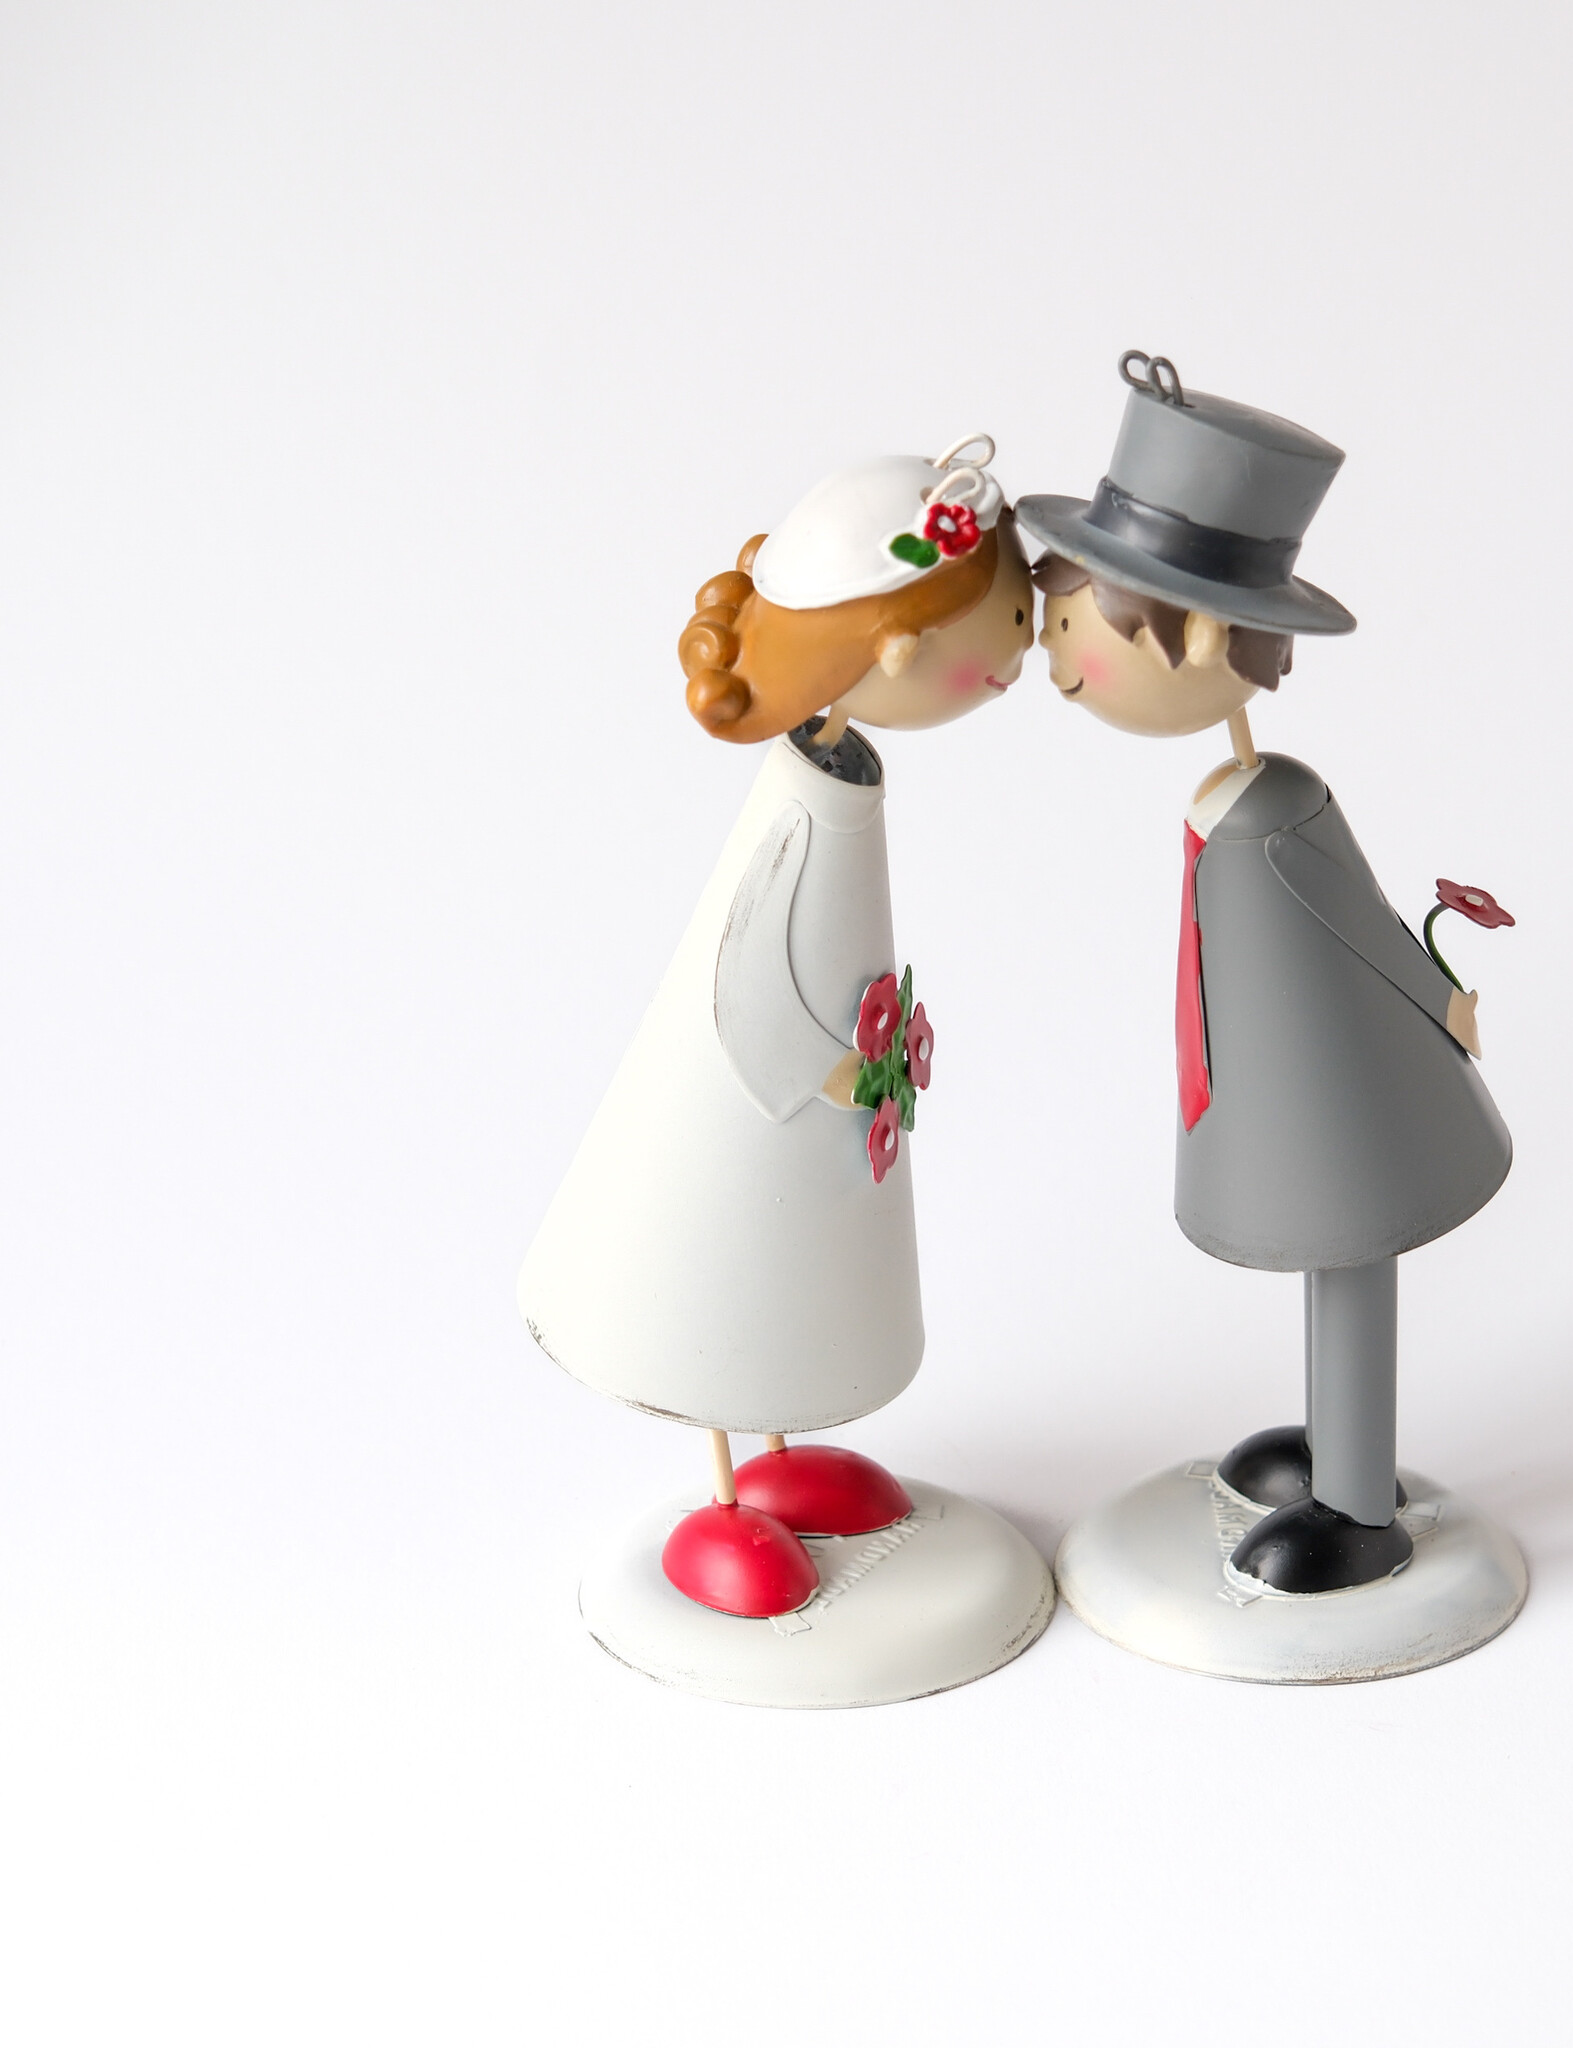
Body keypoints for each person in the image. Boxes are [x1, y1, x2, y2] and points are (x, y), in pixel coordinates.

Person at [1018, 355, 1513, 1594]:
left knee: (1349, 1249)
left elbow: (1363, 923)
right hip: (1287, 1076)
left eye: (1076, 624)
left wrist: (1440, 1002)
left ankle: (1358, 1500)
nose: (1053, 652)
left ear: (1194, 634)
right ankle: (1335, 1448)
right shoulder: (1236, 793)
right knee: (1321, 1243)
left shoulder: (1281, 806)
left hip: (1353, 1080)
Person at [519, 436, 1034, 1618]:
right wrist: (839, 1069)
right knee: (721, 1263)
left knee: (793, 1270)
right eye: (1007, 629)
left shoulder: (838, 775)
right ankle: (723, 1496)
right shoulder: (799, 815)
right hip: (747, 1115)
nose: (1022, 649)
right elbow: (745, 992)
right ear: (895, 650)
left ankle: (776, 1455)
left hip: (825, 1104)